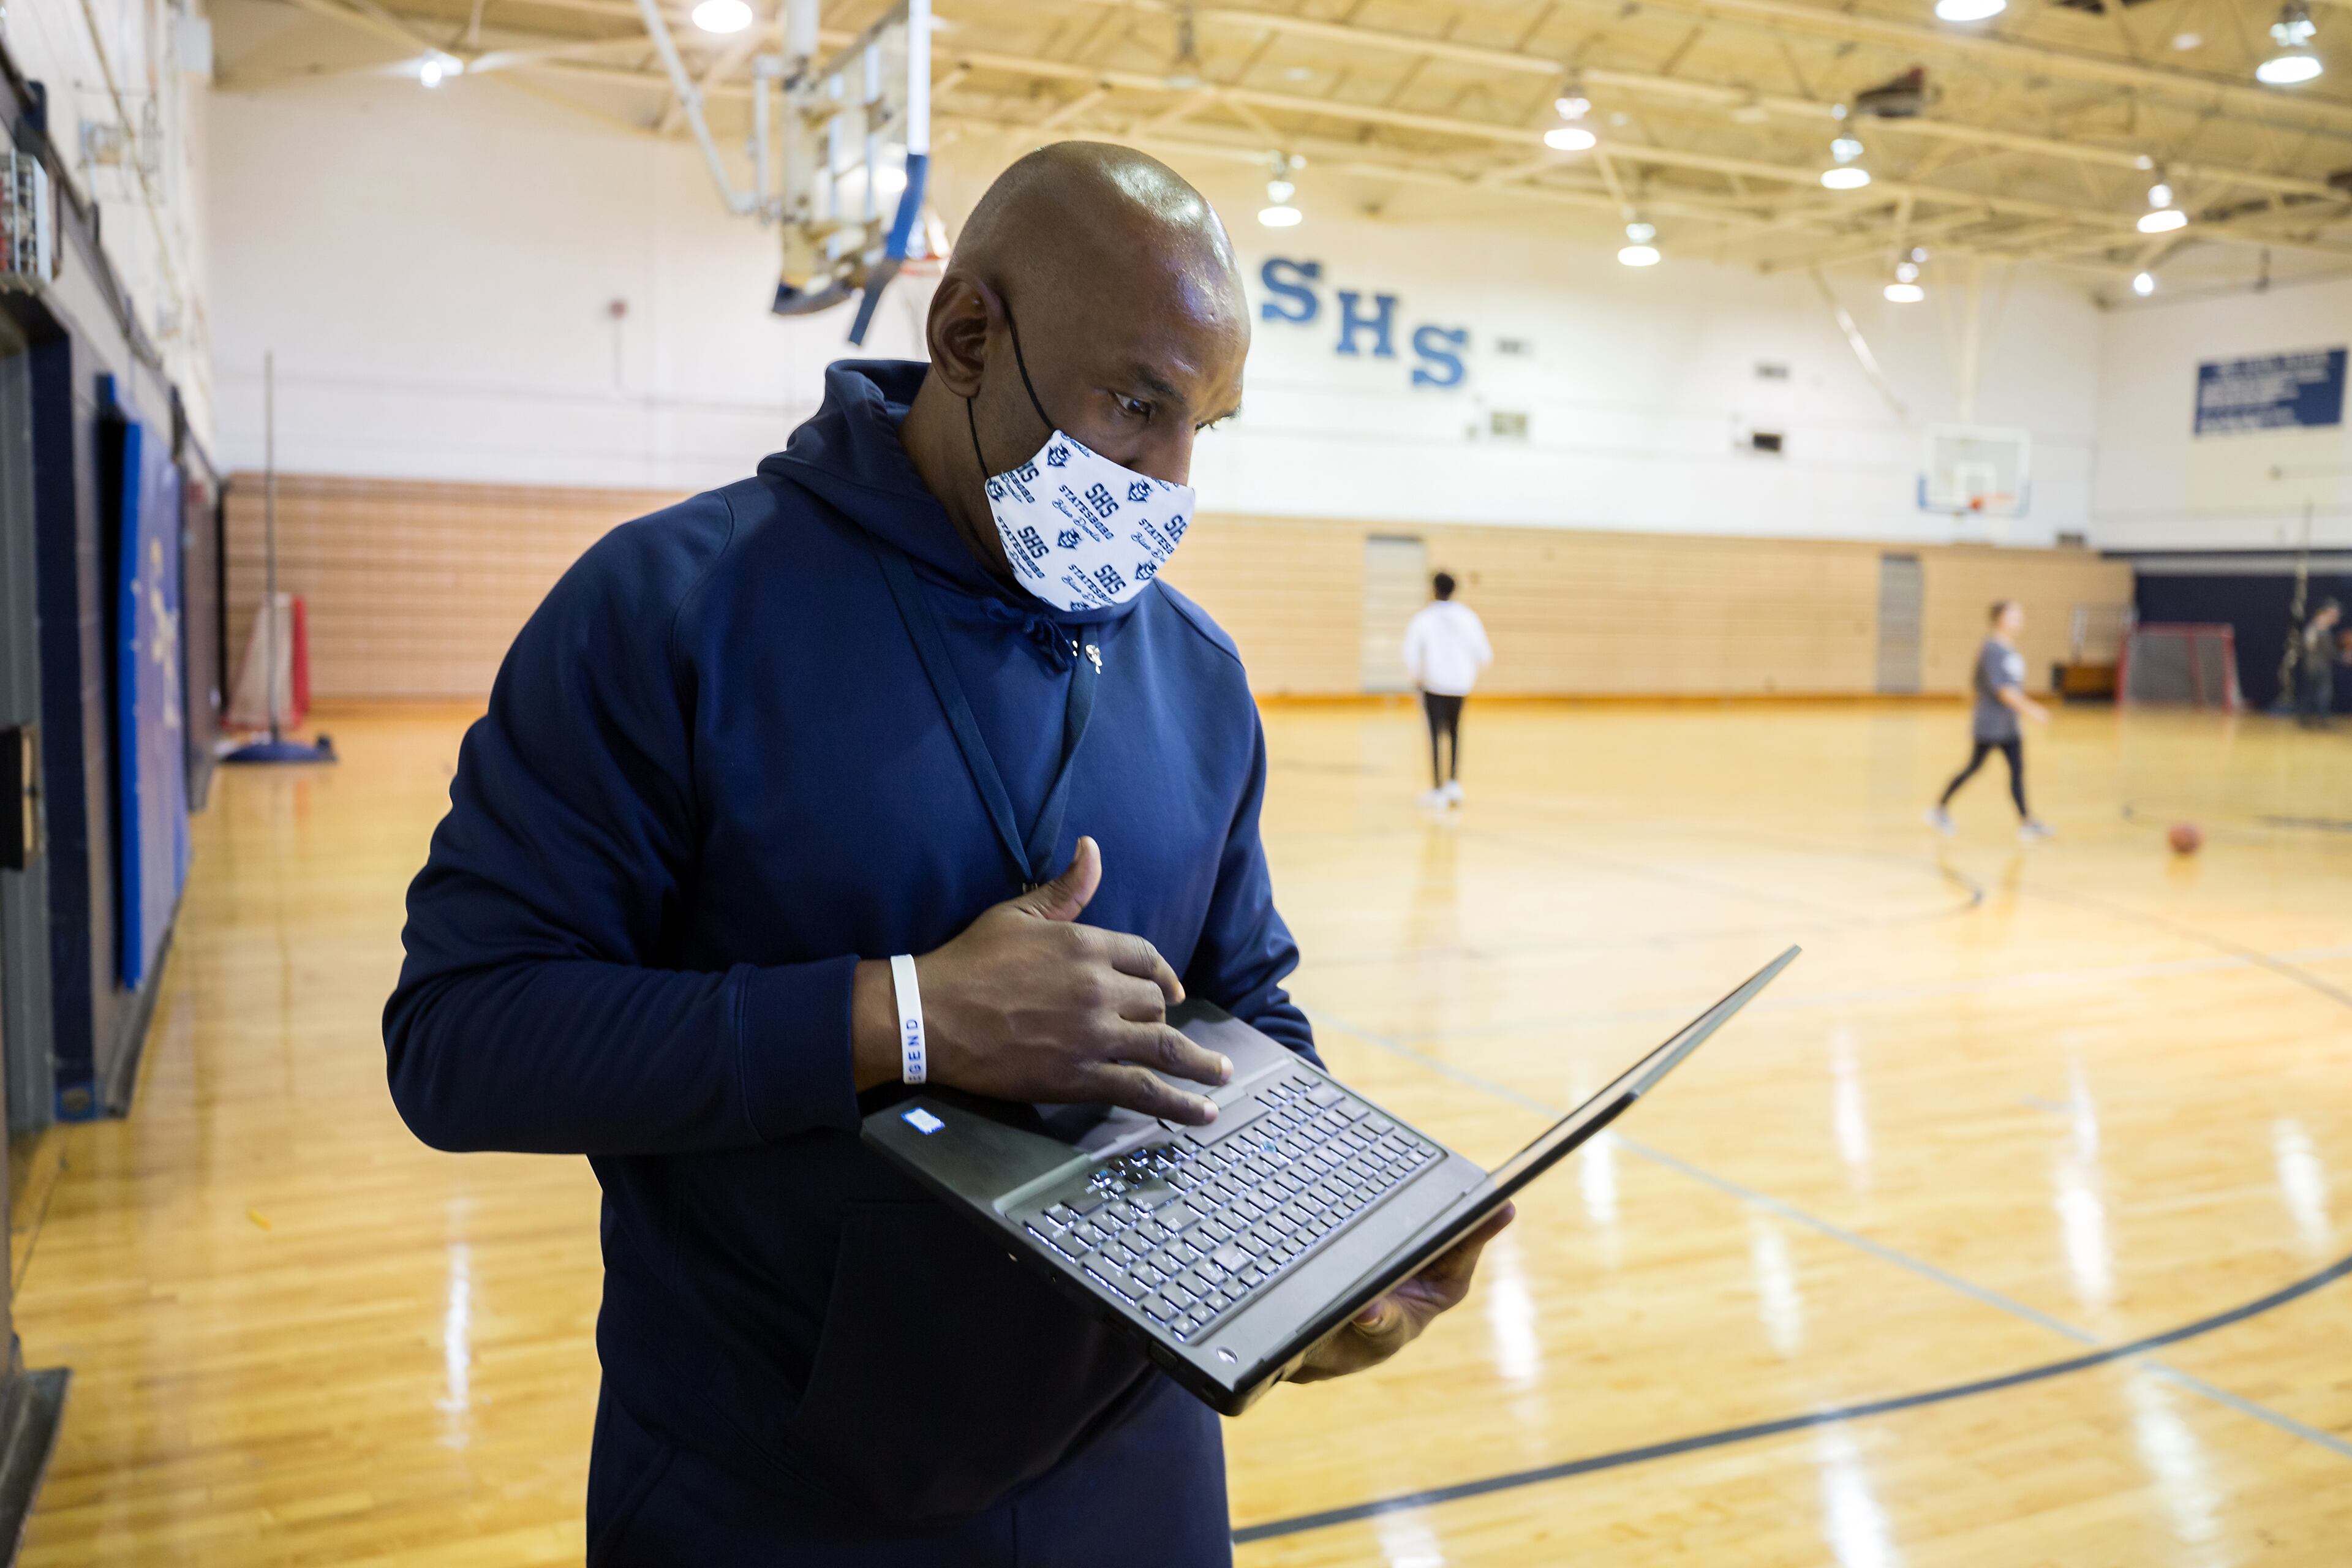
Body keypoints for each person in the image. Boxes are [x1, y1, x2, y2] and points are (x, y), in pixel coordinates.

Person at [382, 143, 1509, 1567]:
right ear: (968, 335)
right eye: (1137, 404)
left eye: (1203, 428)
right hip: (770, 1489)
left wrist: (1314, 1254)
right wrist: (904, 1013)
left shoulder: (1200, 674)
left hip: (1138, 1472)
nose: (1169, 482)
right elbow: (463, 1037)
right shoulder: (672, 607)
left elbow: (1246, 1009)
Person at [1927, 599, 2053, 842]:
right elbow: (2003, 690)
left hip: (2009, 725)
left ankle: (2027, 822)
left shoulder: (2007, 648)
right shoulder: (1992, 649)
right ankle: (1939, 809)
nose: (2020, 621)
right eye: (2015, 617)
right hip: (1991, 725)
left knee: (2017, 770)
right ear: (2001, 619)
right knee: (1974, 767)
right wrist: (2032, 710)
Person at [1401, 571, 1491, 807]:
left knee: (1434, 736)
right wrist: (1467, 676)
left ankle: (1438, 788)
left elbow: (1411, 654)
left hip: (1433, 686)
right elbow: (1485, 654)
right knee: (1454, 732)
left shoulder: (1424, 618)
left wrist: (1417, 680)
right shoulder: (1468, 617)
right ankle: (1453, 784)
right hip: (1460, 686)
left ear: (1434, 589)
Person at [2299, 598, 2342, 729]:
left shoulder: (2317, 629)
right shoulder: (2316, 629)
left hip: (2315, 666)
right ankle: (2321, 719)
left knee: (2314, 693)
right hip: (2317, 667)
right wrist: (2341, 657)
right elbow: (2316, 648)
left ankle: (2308, 718)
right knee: (2322, 693)